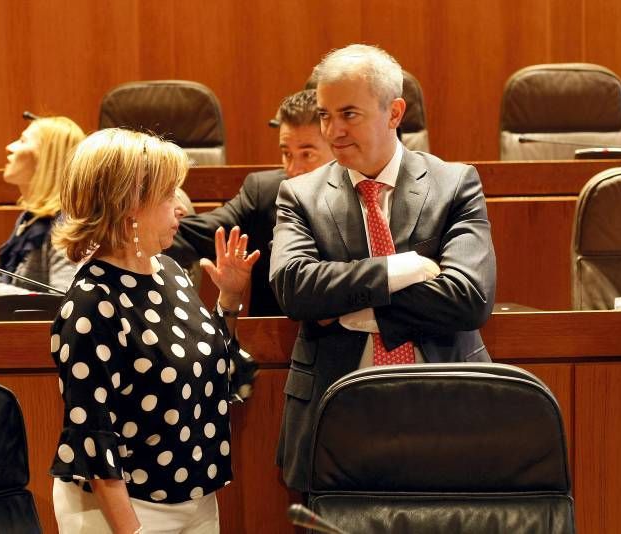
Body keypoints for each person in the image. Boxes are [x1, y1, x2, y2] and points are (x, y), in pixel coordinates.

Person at [270, 44, 497, 492]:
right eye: (324, 115)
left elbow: (469, 299)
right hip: (336, 417)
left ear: (394, 113)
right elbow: (295, 288)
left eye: (348, 114)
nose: (332, 131)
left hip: (444, 408)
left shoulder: (455, 184)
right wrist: (403, 269)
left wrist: (353, 310)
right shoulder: (299, 195)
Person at [49, 128, 259, 533]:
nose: (180, 208)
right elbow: (92, 435)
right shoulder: (91, 304)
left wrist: (229, 300)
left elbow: (207, 371)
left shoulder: (171, 272)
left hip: (196, 496)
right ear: (128, 205)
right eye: (168, 196)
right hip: (123, 510)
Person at [168, 89, 332, 316]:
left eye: (307, 155)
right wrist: (128, 234)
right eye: (287, 154)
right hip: (273, 342)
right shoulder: (264, 192)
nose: (293, 170)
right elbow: (199, 234)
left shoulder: (365, 196)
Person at [0, 116, 84, 303]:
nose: (10, 147)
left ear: (47, 157)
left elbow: (65, 302)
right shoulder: (30, 218)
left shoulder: (66, 223)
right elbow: (19, 284)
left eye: (23, 141)